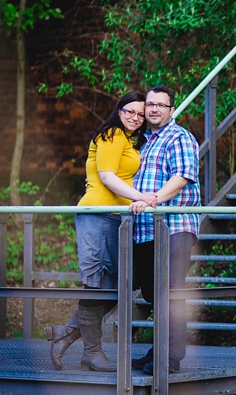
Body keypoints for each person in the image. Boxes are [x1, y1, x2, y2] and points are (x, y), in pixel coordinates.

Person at [46, 91, 158, 371]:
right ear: (118, 111)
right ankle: (92, 353)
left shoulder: (129, 141)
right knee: (97, 282)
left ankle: (67, 333)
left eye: (140, 114)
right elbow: (107, 177)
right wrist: (140, 197)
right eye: (130, 111)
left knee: (117, 285)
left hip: (115, 218)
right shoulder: (110, 136)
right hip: (96, 214)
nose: (135, 117)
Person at [129, 85, 201, 375]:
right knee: (153, 293)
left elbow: (183, 176)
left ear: (172, 110)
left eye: (161, 104)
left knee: (171, 290)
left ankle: (170, 356)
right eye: (150, 104)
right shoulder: (142, 142)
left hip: (174, 226)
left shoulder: (179, 137)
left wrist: (153, 200)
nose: (154, 109)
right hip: (145, 228)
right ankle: (158, 348)